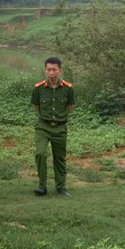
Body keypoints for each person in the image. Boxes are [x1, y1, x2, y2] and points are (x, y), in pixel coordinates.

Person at [31, 57, 75, 196]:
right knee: (40, 153)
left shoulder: (68, 88)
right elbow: (36, 106)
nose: (51, 73)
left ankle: (61, 187)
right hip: (43, 127)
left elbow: (69, 106)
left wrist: (60, 120)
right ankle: (42, 186)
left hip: (60, 128)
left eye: (54, 70)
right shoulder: (38, 88)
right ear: (45, 70)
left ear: (60, 71)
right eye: (48, 70)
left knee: (59, 157)